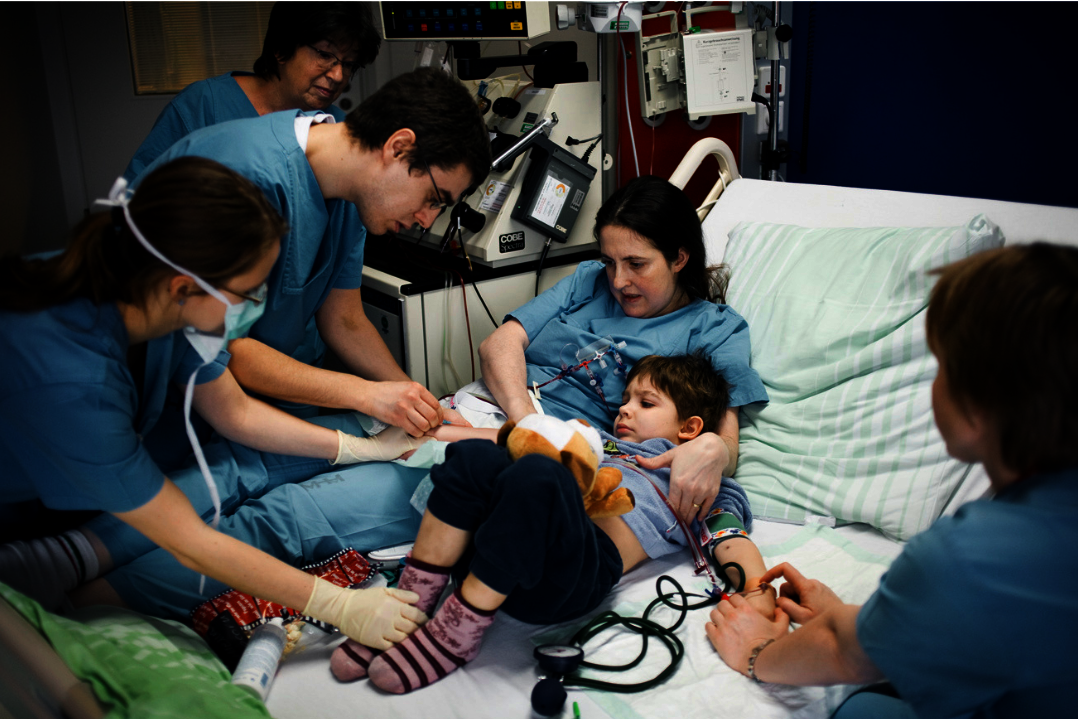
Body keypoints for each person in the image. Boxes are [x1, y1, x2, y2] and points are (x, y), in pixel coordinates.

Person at [0, 157, 428, 651]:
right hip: (20, 515)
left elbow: (235, 413)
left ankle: (64, 563)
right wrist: (337, 604)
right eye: (247, 293)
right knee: (262, 511)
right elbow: (191, 542)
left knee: (230, 475)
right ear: (184, 288)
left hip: (58, 515)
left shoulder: (144, 288)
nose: (255, 306)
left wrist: (360, 449)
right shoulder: (71, 379)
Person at [704, 243, 1078, 718]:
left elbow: (846, 654)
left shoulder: (967, 556)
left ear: (979, 402)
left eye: (942, 366)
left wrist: (759, 651)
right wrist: (877, 622)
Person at [329, 353, 776, 692]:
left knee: (543, 474)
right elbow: (507, 439)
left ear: (690, 428)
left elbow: (731, 540)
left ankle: (456, 633)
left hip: (570, 575)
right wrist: (429, 430)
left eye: (645, 402)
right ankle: (410, 601)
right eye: (624, 400)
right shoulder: (600, 443)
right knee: (477, 456)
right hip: (494, 555)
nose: (624, 410)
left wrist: (758, 592)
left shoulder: (699, 484)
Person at [137, 67, 490, 438]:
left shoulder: (354, 193)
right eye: (433, 198)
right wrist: (365, 394)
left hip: (263, 411)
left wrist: (418, 403)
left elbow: (344, 319)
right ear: (398, 147)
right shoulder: (241, 177)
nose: (427, 220)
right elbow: (221, 347)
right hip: (183, 412)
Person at [479, 175, 769, 524]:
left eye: (636, 264)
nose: (617, 281)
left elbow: (726, 442)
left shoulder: (715, 328)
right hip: (497, 405)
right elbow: (499, 344)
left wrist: (716, 450)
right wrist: (526, 421)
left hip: (554, 449)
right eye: (609, 262)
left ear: (679, 258)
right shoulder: (588, 279)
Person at [123, 2, 381, 182]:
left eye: (349, 64)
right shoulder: (204, 106)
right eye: (325, 55)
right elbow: (140, 198)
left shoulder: (337, 128)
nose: (338, 76)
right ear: (281, 48)